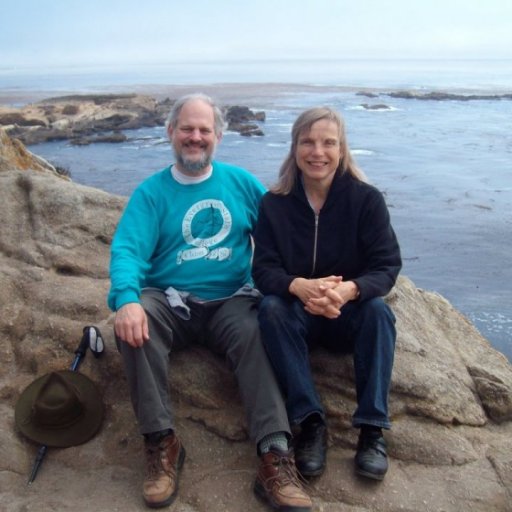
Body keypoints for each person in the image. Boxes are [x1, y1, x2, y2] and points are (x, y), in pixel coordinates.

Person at [108, 93, 312, 511]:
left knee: (260, 330)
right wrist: (126, 299)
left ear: (219, 135)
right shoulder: (151, 194)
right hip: (168, 300)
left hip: (231, 299)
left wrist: (312, 281)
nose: (195, 137)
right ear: (171, 132)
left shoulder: (239, 184)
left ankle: (274, 455)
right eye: (187, 128)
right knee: (134, 324)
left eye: (204, 130)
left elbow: (284, 232)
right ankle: (162, 443)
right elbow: (127, 250)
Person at [252, 106, 402, 482]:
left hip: (345, 313)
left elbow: (386, 265)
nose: (317, 152)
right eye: (308, 142)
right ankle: (311, 423)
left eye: (328, 143)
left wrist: (350, 291)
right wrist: (297, 286)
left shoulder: (366, 200)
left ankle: (372, 430)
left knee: (378, 313)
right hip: (297, 313)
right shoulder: (274, 204)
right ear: (295, 147)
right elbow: (263, 270)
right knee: (270, 309)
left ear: (341, 149)